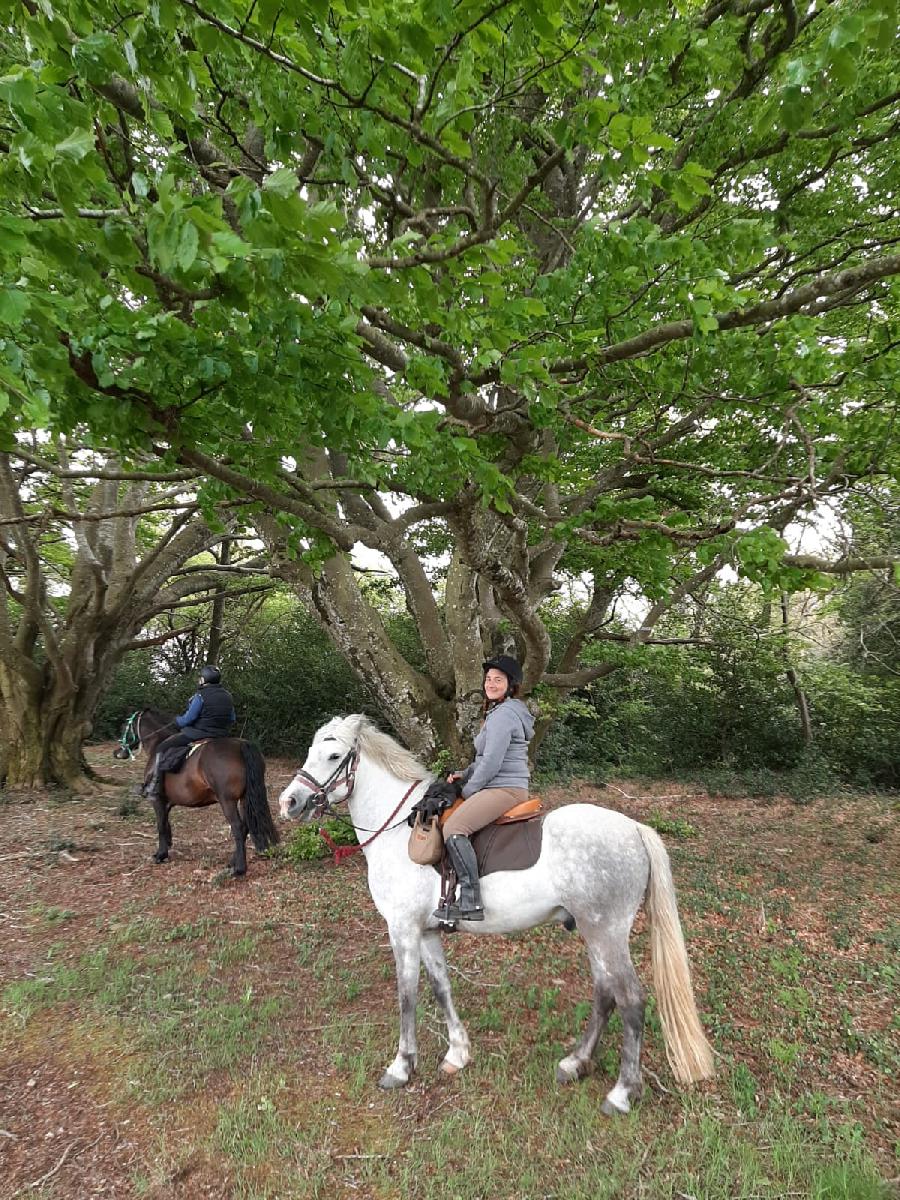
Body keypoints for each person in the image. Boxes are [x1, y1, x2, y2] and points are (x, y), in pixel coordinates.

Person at [435, 654, 534, 924]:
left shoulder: (503, 715)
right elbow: (482, 760)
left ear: (511, 685)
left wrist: (468, 791)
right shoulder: (500, 712)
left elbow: (491, 763)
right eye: (488, 679)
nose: (490, 684)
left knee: (454, 828)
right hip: (501, 783)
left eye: (498, 680)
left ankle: (471, 901)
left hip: (504, 788)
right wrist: (463, 774)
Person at [142, 665, 236, 801]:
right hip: (221, 736)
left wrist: (176, 721)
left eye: (201, 678)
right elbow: (232, 718)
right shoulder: (228, 696)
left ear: (204, 679)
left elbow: (188, 719)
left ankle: (154, 787)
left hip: (197, 734)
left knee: (162, 747)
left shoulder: (200, 695)